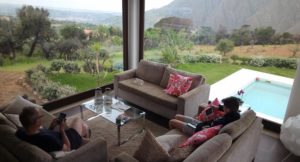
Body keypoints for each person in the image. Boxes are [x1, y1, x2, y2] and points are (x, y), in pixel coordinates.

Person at [15, 106, 90, 152]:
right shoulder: (48, 139)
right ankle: (82, 143)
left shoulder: (21, 132)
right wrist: (62, 130)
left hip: (62, 137)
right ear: (35, 121)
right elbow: (68, 148)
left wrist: (51, 127)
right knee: (78, 120)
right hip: (70, 141)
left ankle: (82, 140)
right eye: (40, 117)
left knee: (85, 130)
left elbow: (44, 134)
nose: (42, 118)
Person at [169, 96, 242, 136]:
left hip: (198, 129)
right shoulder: (235, 115)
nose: (222, 107)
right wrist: (218, 107)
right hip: (200, 124)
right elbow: (225, 110)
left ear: (228, 109)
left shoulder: (224, 120)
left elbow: (211, 126)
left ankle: (173, 134)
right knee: (177, 116)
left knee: (172, 121)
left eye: (224, 106)